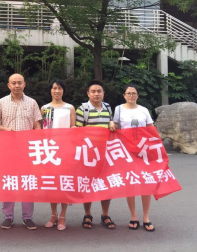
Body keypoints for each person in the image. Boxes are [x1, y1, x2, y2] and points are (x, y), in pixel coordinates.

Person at [0, 73, 42, 230]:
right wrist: (5, 130)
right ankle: (8, 216)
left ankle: (28, 217)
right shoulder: (2, 102)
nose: (17, 85)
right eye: (13, 83)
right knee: (9, 181)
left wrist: (35, 137)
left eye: (19, 82)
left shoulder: (32, 102)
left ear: (24, 84)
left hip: (27, 149)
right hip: (7, 148)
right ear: (9, 85)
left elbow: (37, 125)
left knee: (27, 181)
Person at [110, 84, 156, 232]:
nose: (131, 95)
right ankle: (133, 216)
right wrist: (111, 123)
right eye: (128, 93)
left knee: (146, 183)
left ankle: (146, 217)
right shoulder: (119, 109)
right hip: (127, 152)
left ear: (137, 95)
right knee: (131, 183)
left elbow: (151, 129)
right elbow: (115, 126)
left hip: (143, 151)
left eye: (134, 93)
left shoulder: (144, 110)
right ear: (124, 95)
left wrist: (156, 149)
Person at [75, 80, 116, 230]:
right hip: (89, 154)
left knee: (107, 184)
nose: (96, 94)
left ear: (103, 93)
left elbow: (112, 126)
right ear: (88, 93)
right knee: (88, 184)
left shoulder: (108, 108)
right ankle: (87, 214)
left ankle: (105, 214)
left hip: (106, 153)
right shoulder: (82, 109)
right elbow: (77, 132)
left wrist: (112, 123)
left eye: (99, 91)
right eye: (93, 91)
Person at [41, 79, 76, 231]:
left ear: (63, 91)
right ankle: (53, 214)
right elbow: (40, 129)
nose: (57, 91)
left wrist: (73, 130)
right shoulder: (44, 108)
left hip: (65, 150)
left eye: (60, 88)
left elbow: (73, 127)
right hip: (49, 151)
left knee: (64, 182)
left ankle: (63, 215)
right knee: (52, 183)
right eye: (54, 88)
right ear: (50, 90)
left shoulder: (70, 108)